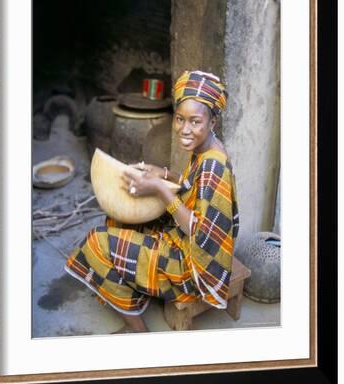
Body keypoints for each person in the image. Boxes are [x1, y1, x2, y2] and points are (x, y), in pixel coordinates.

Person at [64, 70, 239, 332]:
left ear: (212, 122)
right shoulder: (207, 148)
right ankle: (135, 287)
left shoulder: (215, 166)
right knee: (116, 220)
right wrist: (164, 173)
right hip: (184, 241)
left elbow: (199, 232)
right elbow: (195, 187)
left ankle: (139, 331)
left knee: (97, 243)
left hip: (194, 265)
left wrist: (159, 188)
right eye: (180, 119)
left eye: (195, 122)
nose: (185, 129)